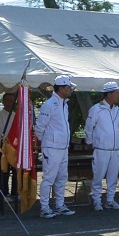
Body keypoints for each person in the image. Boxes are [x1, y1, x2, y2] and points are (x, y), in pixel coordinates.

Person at [35, 75, 75, 218]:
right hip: (52, 148)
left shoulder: (64, 104)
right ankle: (44, 207)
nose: (71, 89)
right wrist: (46, 143)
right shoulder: (50, 104)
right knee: (49, 178)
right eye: (69, 87)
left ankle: (59, 205)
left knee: (62, 178)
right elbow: (39, 127)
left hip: (62, 148)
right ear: (62, 88)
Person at [85, 82, 119, 211]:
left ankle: (110, 200)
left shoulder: (117, 109)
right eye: (116, 92)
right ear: (109, 94)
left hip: (114, 149)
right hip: (101, 149)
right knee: (98, 176)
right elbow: (89, 127)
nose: (118, 95)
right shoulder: (96, 109)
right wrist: (89, 142)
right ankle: (96, 201)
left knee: (113, 176)